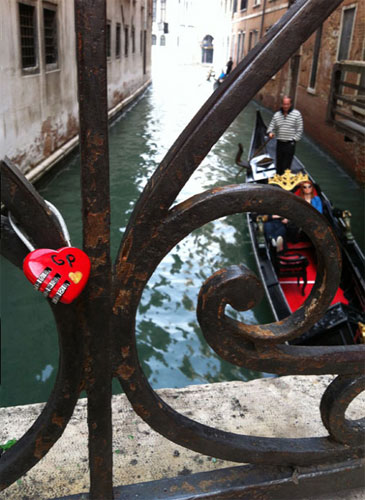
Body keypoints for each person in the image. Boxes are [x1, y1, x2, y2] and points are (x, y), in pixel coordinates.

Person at [267, 96, 303, 175]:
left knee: (286, 166)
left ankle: (285, 182)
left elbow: (299, 130)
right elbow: (271, 126)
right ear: (281, 104)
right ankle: (278, 180)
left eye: (287, 104)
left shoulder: (297, 114)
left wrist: (294, 140)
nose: (285, 106)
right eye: (284, 104)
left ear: (290, 104)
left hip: (290, 144)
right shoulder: (277, 115)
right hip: (280, 143)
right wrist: (270, 132)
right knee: (279, 164)